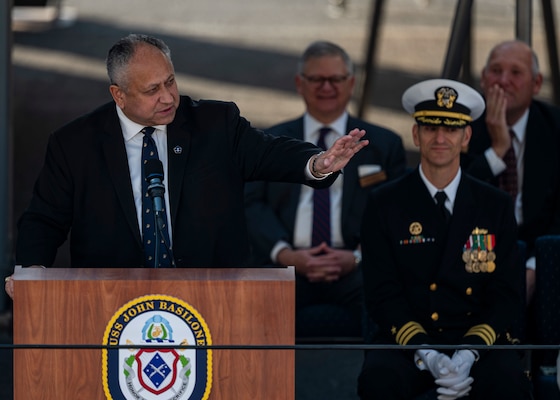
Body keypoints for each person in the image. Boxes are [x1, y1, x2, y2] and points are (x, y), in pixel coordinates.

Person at [5, 34, 369, 297]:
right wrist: (33, 271)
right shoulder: (75, 143)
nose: (168, 97)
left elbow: (269, 153)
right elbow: (44, 218)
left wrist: (318, 162)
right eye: (152, 90)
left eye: (170, 81)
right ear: (119, 94)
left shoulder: (215, 123)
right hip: (112, 301)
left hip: (212, 297)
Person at [357, 78, 532, 399]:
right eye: (430, 128)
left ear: (466, 136)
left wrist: (469, 352)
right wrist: (427, 353)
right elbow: (381, 293)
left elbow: (508, 293)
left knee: (510, 384)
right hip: (408, 339)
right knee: (378, 381)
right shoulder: (385, 202)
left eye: (451, 129)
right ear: (416, 134)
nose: (440, 138)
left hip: (479, 339)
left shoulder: (495, 204)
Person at [243, 41, 407, 336]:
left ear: (352, 83)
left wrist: (358, 256)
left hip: (356, 266)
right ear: (299, 84)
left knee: (390, 307)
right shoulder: (270, 141)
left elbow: (395, 212)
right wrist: (286, 255)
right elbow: (251, 204)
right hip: (285, 265)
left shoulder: (384, 145)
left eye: (336, 79)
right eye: (317, 79)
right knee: (253, 325)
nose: (326, 87)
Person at [461, 40, 560, 302]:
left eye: (516, 73)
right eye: (495, 71)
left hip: (543, 254)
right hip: (474, 255)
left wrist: (535, 268)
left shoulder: (555, 128)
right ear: (483, 79)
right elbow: (456, 197)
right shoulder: (460, 128)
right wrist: (498, 149)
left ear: (536, 84)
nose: (503, 81)